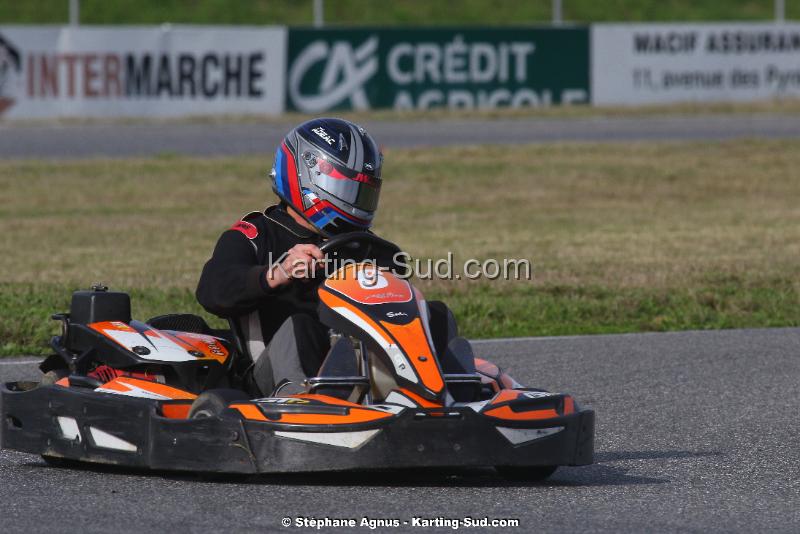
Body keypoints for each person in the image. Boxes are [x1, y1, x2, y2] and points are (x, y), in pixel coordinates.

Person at [196, 117, 461, 398]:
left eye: (364, 192)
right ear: (308, 178)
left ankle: (449, 396)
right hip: (271, 380)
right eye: (350, 190)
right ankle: (304, 402)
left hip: (363, 369)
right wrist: (276, 274)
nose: (357, 201)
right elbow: (213, 290)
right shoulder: (254, 236)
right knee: (302, 326)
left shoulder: (372, 250)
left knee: (435, 314)